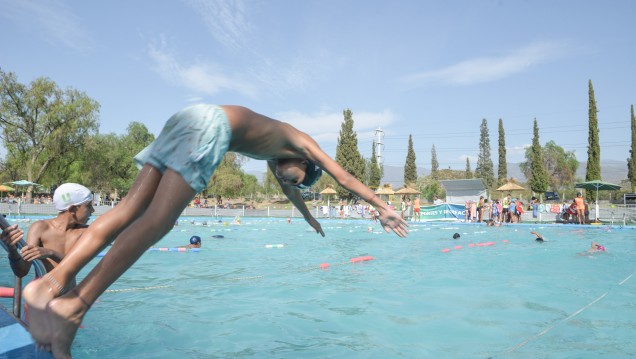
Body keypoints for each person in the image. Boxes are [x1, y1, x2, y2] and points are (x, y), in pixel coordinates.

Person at [23, 104, 409, 357]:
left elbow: (291, 192)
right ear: (308, 164)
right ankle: (75, 305)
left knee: (129, 208)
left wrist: (307, 216)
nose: (283, 178)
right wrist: (383, 207)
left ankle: (55, 281)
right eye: (294, 178)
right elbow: (343, 176)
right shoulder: (304, 142)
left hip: (187, 117)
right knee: (160, 220)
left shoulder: (277, 150)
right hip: (211, 127)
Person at [1, 183, 93, 280]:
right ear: (73, 209)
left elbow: (77, 263)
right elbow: (22, 271)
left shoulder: (86, 232)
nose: (93, 210)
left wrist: (50, 253)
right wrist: (12, 251)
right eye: (88, 206)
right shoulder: (40, 228)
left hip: (69, 294)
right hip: (40, 293)